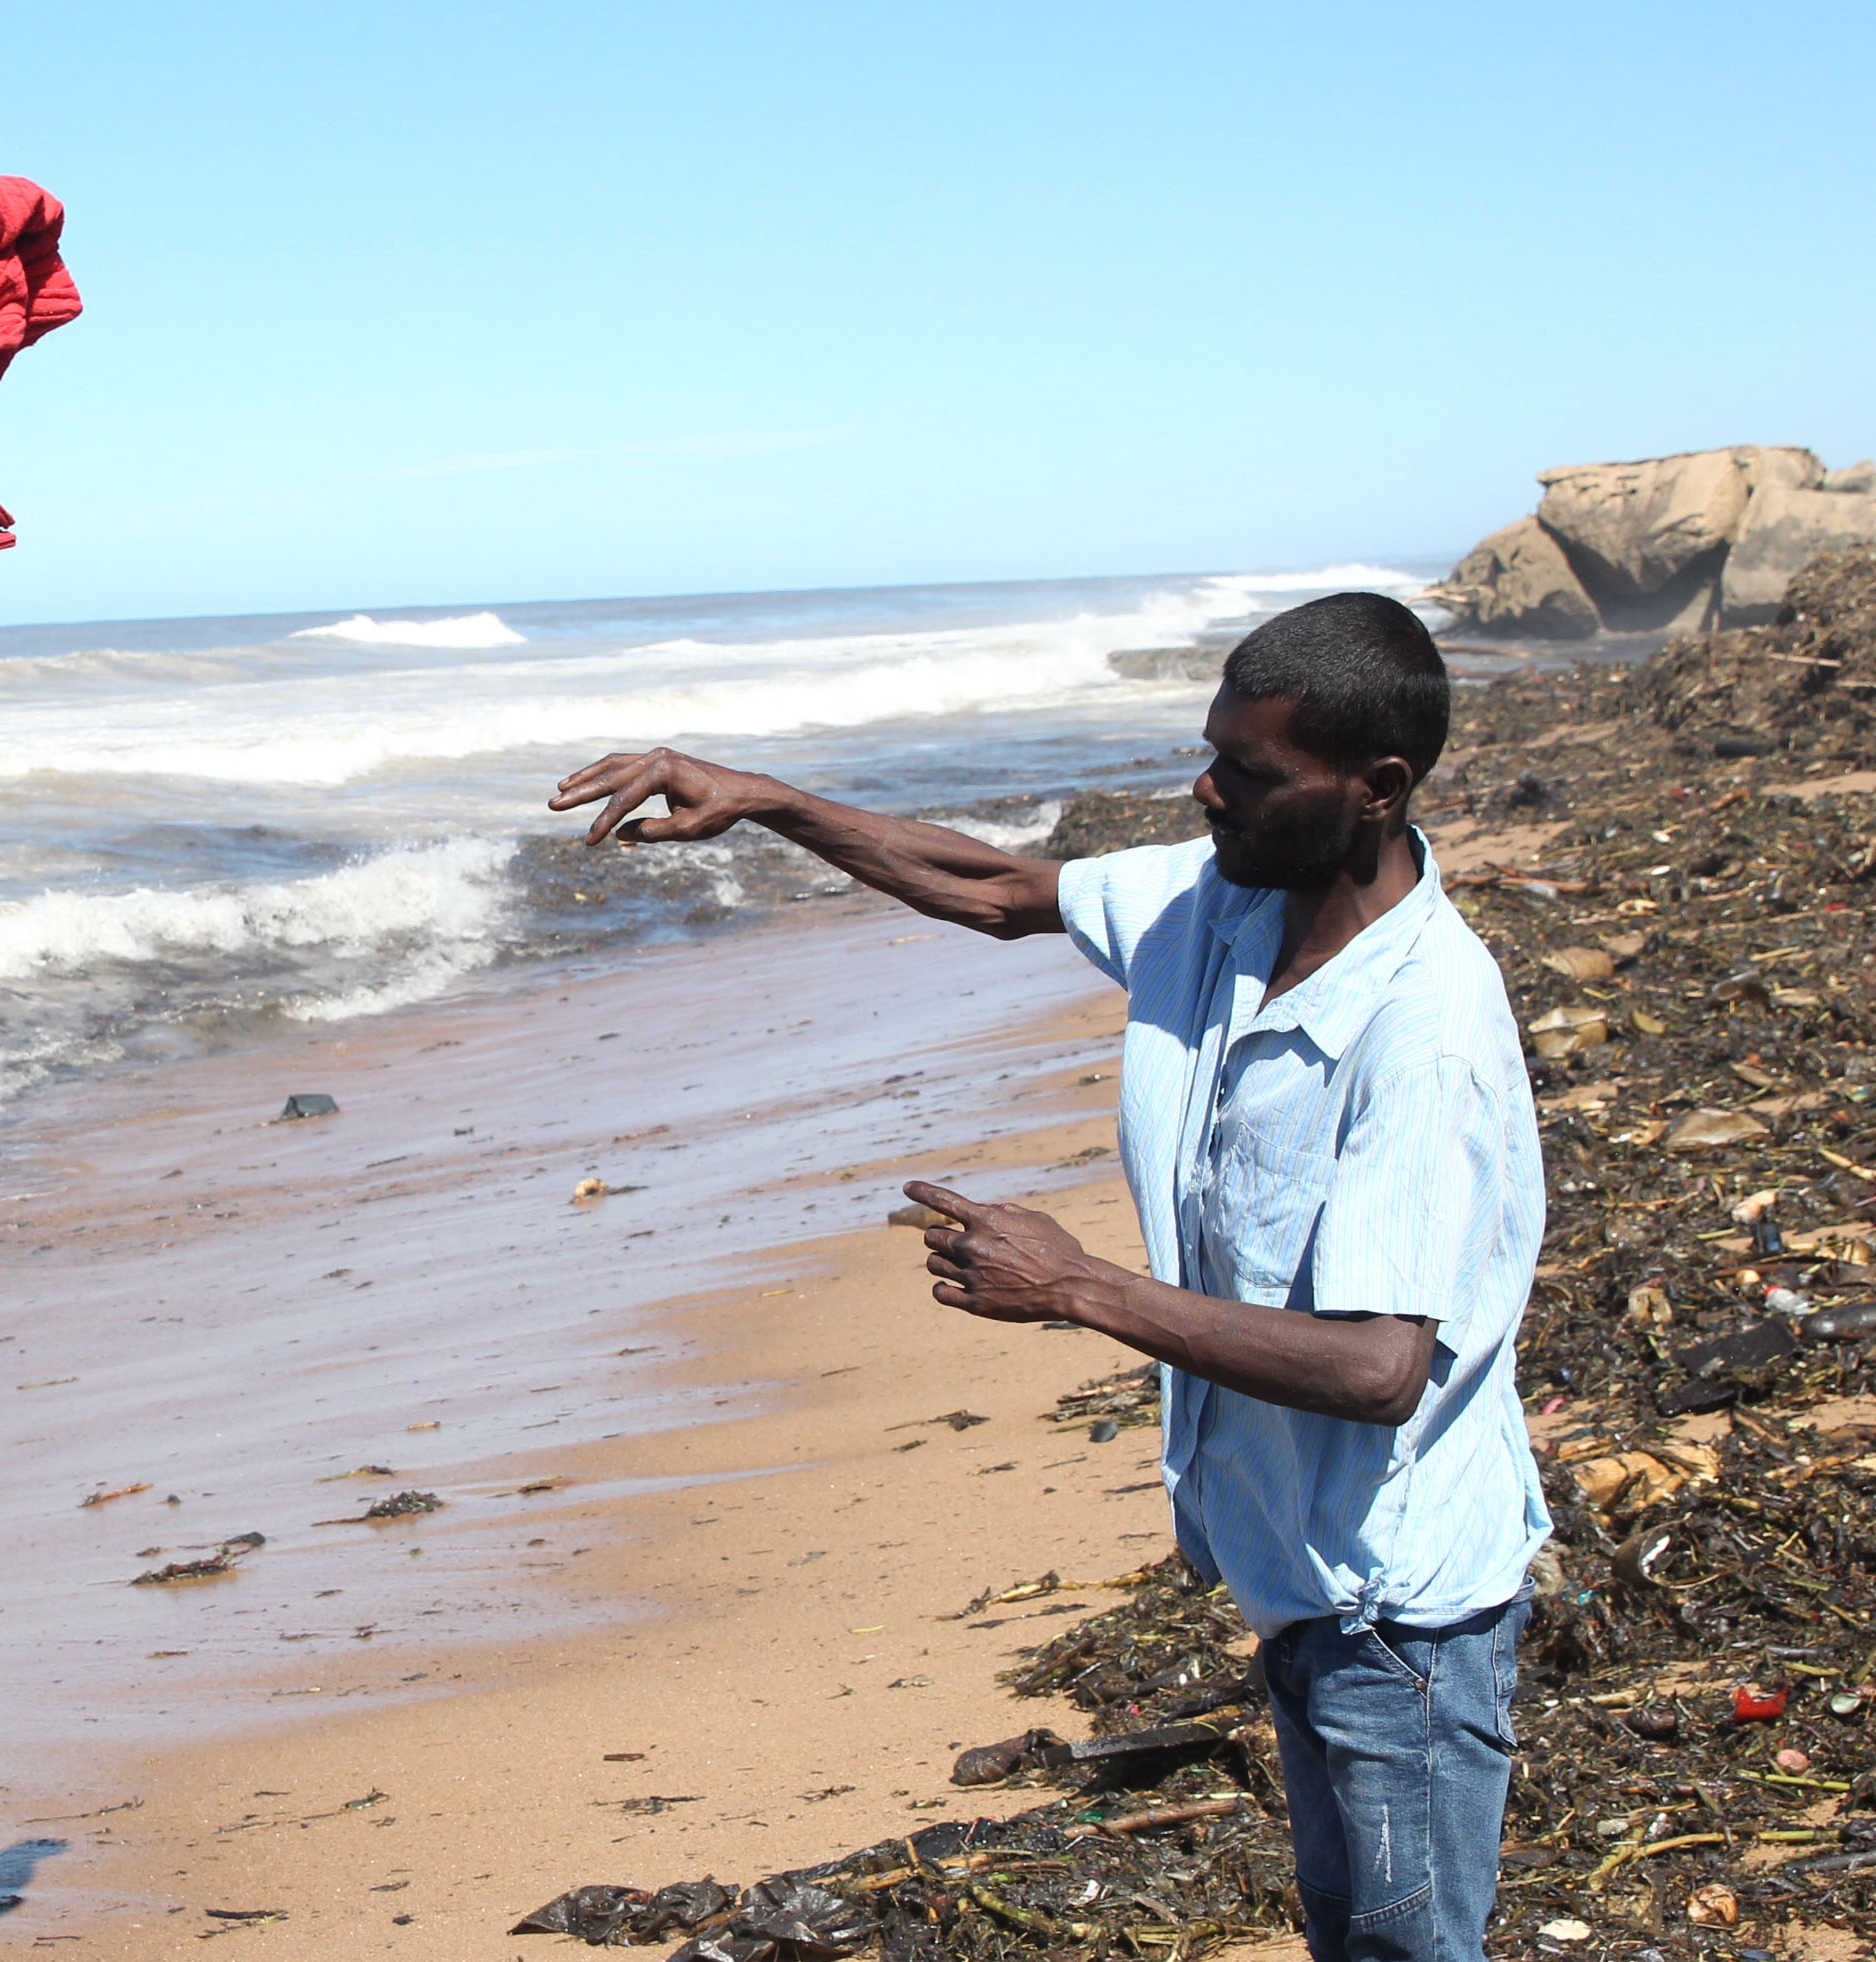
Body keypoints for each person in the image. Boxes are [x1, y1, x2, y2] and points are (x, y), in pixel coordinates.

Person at [550, 592, 1548, 1962]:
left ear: (1373, 790)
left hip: (1399, 1612)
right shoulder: (1223, 907)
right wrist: (766, 801)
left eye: (1248, 774)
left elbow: (1378, 1365)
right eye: (1210, 751)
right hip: (1298, 1574)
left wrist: (1080, 1286)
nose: (1205, 790)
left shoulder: (1422, 1029)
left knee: (1402, 1947)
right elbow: (998, 888)